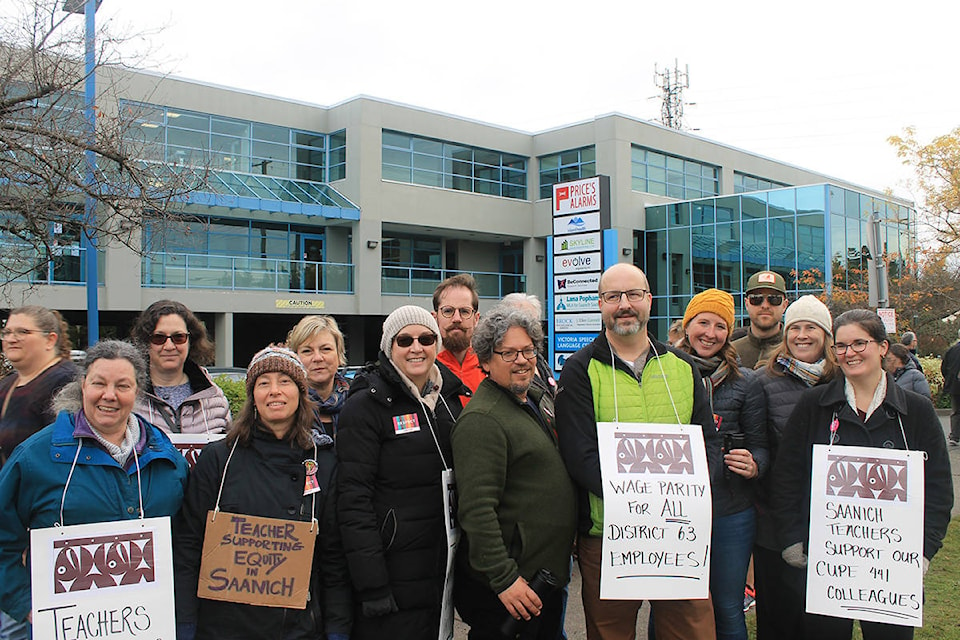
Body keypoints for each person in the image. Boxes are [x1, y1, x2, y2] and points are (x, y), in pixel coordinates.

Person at [555, 263, 720, 640]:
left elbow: (707, 441)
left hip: (679, 532)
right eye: (613, 297)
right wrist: (637, 502)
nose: (624, 304)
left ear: (649, 299)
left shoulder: (682, 367)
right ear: (600, 304)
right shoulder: (580, 370)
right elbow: (579, 455)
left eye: (632, 295)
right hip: (608, 533)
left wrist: (689, 494)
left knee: (690, 632)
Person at [773, 309, 952, 640]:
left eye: (859, 343)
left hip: (891, 573)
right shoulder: (816, 405)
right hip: (827, 566)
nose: (849, 353)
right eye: (841, 346)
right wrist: (793, 541)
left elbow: (939, 488)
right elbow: (787, 477)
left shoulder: (916, 411)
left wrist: (923, 551)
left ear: (883, 347)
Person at [0, 340, 188, 639]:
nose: (109, 395)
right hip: (65, 628)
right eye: (99, 383)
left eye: (122, 386)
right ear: (83, 386)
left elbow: (185, 541)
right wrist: (24, 604)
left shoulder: (167, 458)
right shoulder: (35, 456)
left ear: (137, 392)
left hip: (146, 625)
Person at [173, 346, 351, 640]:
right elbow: (189, 546)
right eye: (264, 383)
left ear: (300, 391)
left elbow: (333, 559)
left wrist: (337, 628)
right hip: (223, 628)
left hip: (298, 628)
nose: (274, 391)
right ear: (253, 396)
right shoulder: (218, 459)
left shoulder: (324, 462)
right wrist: (185, 622)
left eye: (285, 381)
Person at [336, 306, 468, 639]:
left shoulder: (450, 399)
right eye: (404, 339)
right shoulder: (366, 405)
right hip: (392, 573)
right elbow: (354, 501)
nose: (416, 347)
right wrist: (372, 584)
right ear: (388, 348)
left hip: (440, 564)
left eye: (425, 338)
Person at [452, 305, 577, 640]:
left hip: (542, 578)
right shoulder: (483, 420)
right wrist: (503, 578)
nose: (521, 360)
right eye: (508, 353)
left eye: (527, 350)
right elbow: (477, 511)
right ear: (486, 361)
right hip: (512, 589)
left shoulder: (532, 398)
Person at [677, 289, 768, 640]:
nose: (710, 333)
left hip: (730, 510)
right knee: (673, 604)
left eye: (719, 326)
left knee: (727, 607)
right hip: (676, 508)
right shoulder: (663, 374)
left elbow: (761, 446)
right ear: (688, 326)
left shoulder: (745, 383)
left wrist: (754, 463)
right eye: (702, 322)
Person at [752, 295, 838, 640]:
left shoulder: (843, 382)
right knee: (778, 617)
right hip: (776, 522)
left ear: (826, 336)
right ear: (786, 334)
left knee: (822, 620)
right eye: (796, 328)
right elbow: (758, 444)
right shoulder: (763, 381)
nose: (802, 335)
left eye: (811, 328)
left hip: (833, 523)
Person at [130, 300, 230, 434]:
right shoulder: (130, 399)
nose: (169, 346)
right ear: (146, 342)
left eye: (178, 337)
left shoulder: (215, 398)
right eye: (159, 338)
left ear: (191, 341)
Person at [0, 306, 76, 466]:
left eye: (23, 332)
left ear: (50, 340)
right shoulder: (8, 384)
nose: (11, 339)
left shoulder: (65, 382)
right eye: (7, 333)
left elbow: (62, 450)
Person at [287, 315, 350, 436]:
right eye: (307, 351)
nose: (317, 358)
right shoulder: (286, 407)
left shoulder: (359, 403)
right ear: (295, 357)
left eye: (325, 349)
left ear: (339, 353)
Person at [433, 274, 484, 404]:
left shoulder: (492, 367)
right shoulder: (424, 369)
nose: (457, 318)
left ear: (476, 319)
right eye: (448, 311)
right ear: (435, 317)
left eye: (465, 311)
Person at [501, 292, 557, 397]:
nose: (529, 329)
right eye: (522, 323)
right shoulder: (501, 365)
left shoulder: (539, 360)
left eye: (534, 323)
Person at [732, 271, 789, 369]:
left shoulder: (796, 350)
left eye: (774, 299)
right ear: (746, 304)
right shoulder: (731, 352)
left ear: (784, 305)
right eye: (756, 299)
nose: (765, 306)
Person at [940, 329, 960, 446]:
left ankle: (954, 436)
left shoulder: (952, 350)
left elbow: (944, 367)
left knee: (956, 411)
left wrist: (949, 379)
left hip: (954, 385)